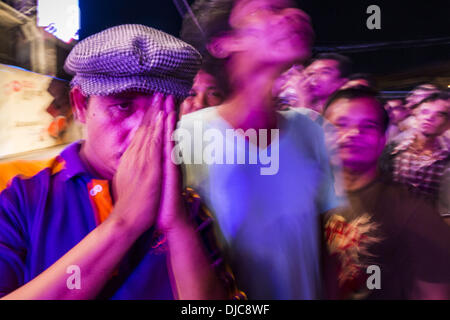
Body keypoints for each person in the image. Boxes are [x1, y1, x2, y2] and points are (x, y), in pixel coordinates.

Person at [0, 24, 238, 300]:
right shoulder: (17, 190)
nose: (142, 129)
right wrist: (123, 224)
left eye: (163, 111)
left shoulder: (188, 208)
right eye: (122, 106)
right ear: (79, 104)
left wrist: (177, 227)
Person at [177, 0, 338, 299]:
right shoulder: (185, 138)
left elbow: (325, 245)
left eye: (292, 7)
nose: (294, 15)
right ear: (224, 43)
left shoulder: (311, 129)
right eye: (270, 8)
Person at [321, 87, 450, 299]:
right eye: (339, 124)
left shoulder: (414, 214)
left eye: (367, 126)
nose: (352, 133)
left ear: (383, 140)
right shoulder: (307, 202)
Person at [382, 92, 450, 221]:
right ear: (416, 115)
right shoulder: (394, 150)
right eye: (425, 111)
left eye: (440, 114)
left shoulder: (446, 159)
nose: (429, 117)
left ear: (448, 124)